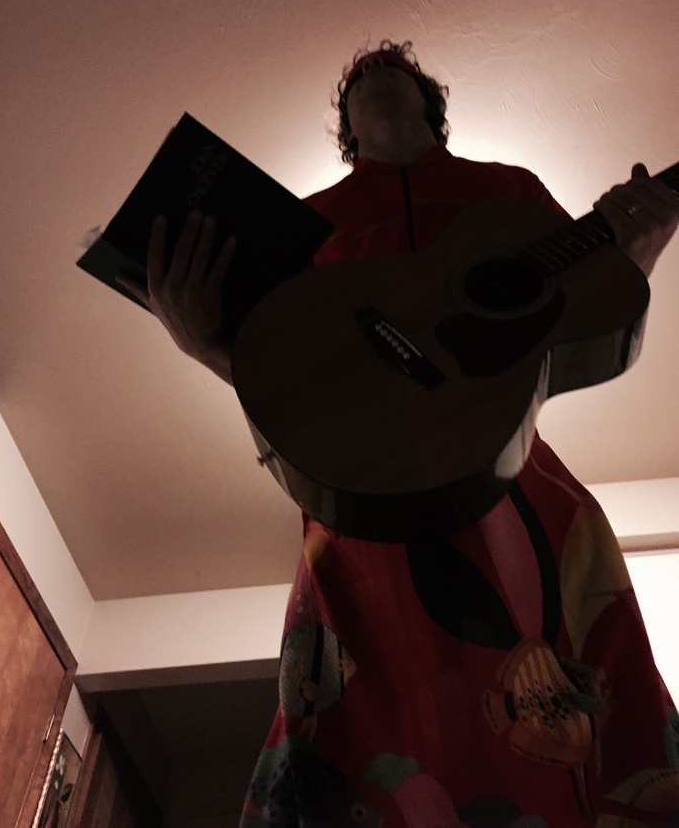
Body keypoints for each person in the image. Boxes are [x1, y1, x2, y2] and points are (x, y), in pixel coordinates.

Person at [123, 41, 679, 826]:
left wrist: (635, 257)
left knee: (589, 699)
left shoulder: (511, 193)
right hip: (362, 504)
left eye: (396, 68)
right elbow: (299, 403)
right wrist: (208, 346)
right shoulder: (297, 230)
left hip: (511, 483)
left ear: (434, 107)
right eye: (357, 76)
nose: (374, 69)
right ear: (345, 130)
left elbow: (580, 315)